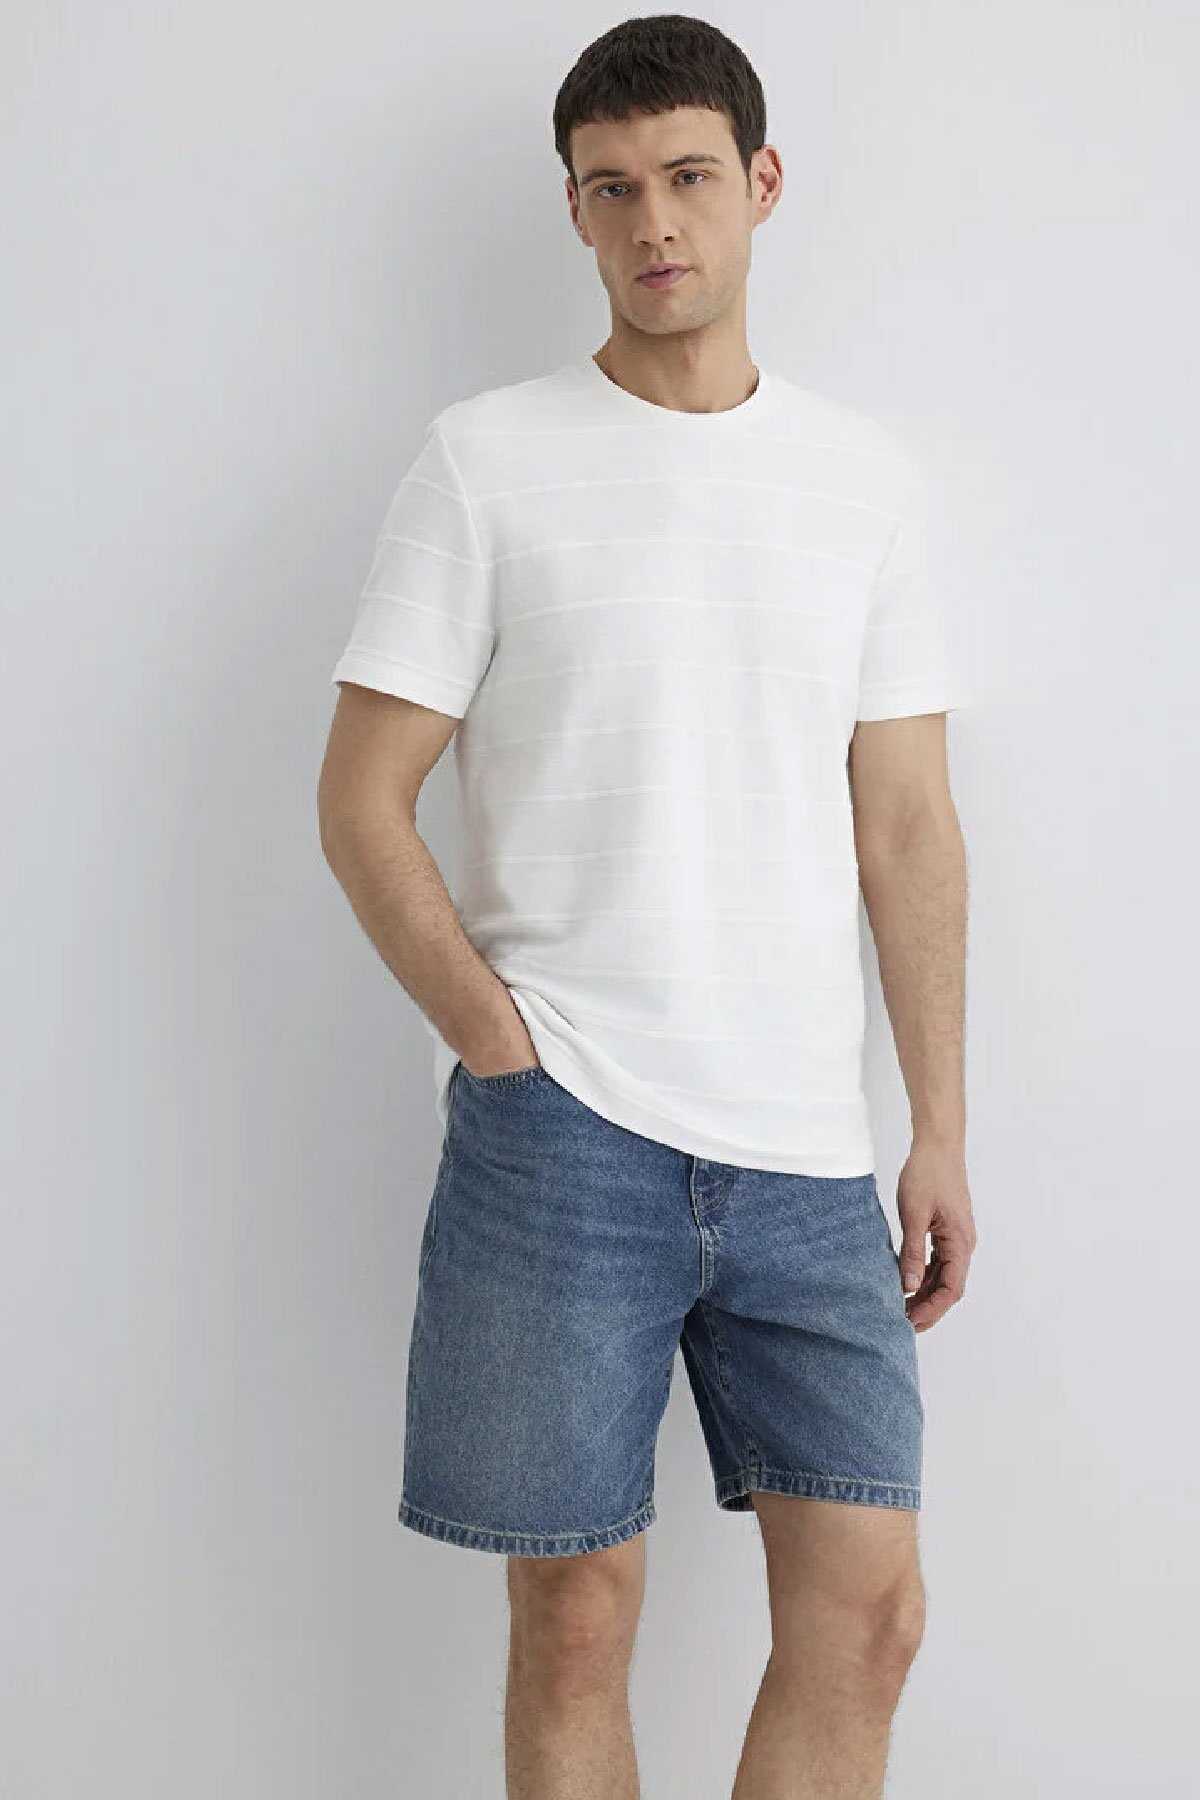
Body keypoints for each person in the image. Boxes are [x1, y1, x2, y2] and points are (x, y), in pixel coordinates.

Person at [318, 15, 977, 1798]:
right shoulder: (485, 462)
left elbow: (909, 825)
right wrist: (496, 1042)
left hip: (806, 1150)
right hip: (563, 1136)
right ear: (575, 212)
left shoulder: (864, 485)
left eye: (688, 177)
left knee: (870, 1614)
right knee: (577, 1617)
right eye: (611, 190)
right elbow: (361, 799)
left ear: (761, 183)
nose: (654, 222)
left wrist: (936, 1126)